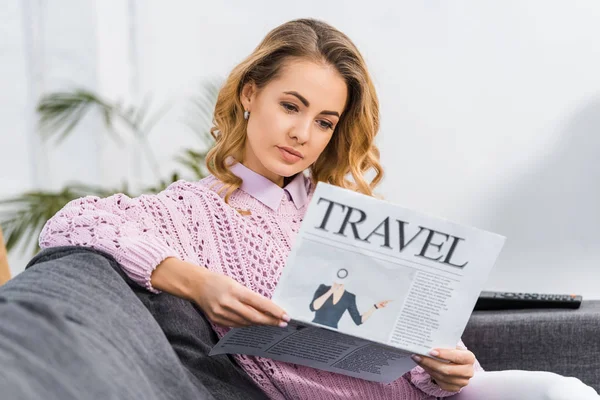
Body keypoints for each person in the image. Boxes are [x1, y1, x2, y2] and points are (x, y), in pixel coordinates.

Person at [37, 18, 599, 400]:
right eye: (291, 106)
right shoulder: (190, 212)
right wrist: (196, 283)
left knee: (566, 391)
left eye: (325, 121)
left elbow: (411, 345)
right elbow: (75, 220)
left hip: (432, 394)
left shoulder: (343, 216)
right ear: (249, 94)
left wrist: (449, 369)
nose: (303, 134)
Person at [310, 268, 392, 329]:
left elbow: (358, 321)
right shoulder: (323, 288)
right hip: (314, 327)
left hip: (331, 331)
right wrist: (331, 291)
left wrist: (375, 307)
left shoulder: (349, 297)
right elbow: (313, 307)